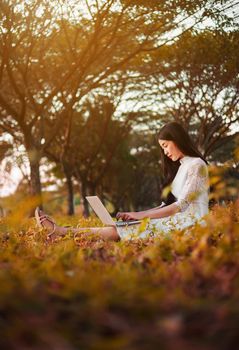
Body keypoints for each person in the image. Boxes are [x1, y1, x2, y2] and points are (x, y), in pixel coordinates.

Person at [35, 122, 209, 241]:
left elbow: (182, 206)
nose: (164, 152)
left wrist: (140, 216)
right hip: (179, 221)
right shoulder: (182, 166)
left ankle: (61, 232)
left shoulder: (197, 165)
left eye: (165, 145)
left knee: (119, 231)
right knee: (125, 227)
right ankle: (62, 232)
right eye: (161, 147)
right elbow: (167, 206)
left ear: (177, 139)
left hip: (191, 225)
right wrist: (135, 216)